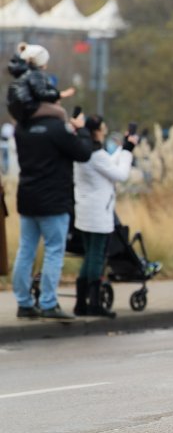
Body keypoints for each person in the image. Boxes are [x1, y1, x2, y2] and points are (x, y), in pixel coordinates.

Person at [12, 107, 93, 320]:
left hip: (27, 197)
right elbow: (83, 153)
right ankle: (48, 303)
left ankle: (24, 302)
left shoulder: (22, 127)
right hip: (54, 200)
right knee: (54, 250)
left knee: (26, 250)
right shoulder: (57, 129)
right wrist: (81, 130)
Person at [73, 116, 137, 317]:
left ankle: (81, 303)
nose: (106, 128)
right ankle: (94, 303)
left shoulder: (83, 152)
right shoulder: (96, 155)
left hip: (84, 209)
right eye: (103, 126)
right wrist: (127, 151)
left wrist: (124, 148)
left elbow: (109, 165)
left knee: (89, 254)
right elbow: (120, 175)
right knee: (97, 255)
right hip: (99, 212)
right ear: (97, 131)